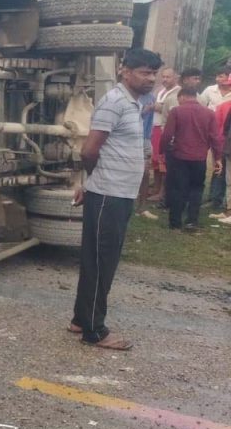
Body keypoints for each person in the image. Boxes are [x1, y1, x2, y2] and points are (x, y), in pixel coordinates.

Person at [70, 48, 162, 352]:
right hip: (109, 194)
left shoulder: (132, 103)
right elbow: (89, 151)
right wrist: (96, 181)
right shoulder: (115, 102)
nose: (150, 78)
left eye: (153, 73)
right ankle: (94, 332)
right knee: (101, 262)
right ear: (125, 71)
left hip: (117, 194)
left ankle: (81, 320)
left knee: (96, 259)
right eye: (144, 72)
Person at [161, 86, 224, 231]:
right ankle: (192, 221)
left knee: (178, 189)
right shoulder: (209, 113)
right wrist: (218, 158)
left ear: (182, 97)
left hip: (180, 156)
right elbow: (215, 137)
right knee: (196, 189)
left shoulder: (176, 111)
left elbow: (168, 134)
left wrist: (162, 151)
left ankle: (175, 223)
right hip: (199, 158)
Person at [201, 67, 231, 209]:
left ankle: (223, 200)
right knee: (217, 166)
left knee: (224, 168)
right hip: (214, 133)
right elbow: (200, 106)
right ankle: (214, 198)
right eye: (218, 76)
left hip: (226, 136)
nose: (219, 79)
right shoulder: (210, 91)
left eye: (223, 76)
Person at [147, 67, 178, 201]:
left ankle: (163, 192)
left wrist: (155, 106)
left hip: (164, 129)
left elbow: (171, 111)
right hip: (154, 127)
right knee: (155, 159)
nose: (165, 79)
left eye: (168, 77)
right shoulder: (160, 90)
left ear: (175, 77)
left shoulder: (177, 92)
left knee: (163, 161)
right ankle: (156, 187)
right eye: (163, 77)